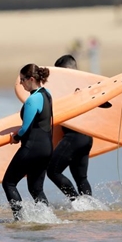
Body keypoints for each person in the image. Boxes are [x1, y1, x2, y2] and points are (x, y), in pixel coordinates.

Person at [3, 64, 54, 219]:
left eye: (22, 80)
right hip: (46, 148)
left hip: (32, 147)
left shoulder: (32, 99)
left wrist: (15, 137)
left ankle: (20, 219)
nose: (21, 84)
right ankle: (48, 219)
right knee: (36, 189)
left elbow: (25, 128)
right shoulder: (47, 94)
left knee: (9, 183)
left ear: (31, 79)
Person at [46, 55, 94, 200]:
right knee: (81, 178)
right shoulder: (87, 87)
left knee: (52, 171)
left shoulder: (68, 89)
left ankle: (75, 201)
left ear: (67, 70)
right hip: (87, 137)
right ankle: (88, 207)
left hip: (74, 137)